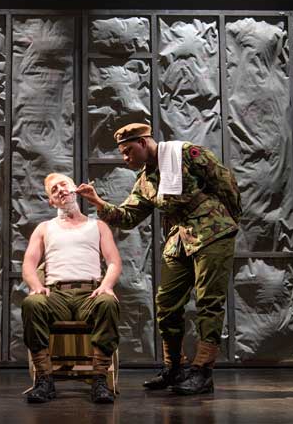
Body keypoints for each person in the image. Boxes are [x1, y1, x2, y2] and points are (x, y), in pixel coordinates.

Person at [76, 123, 241, 395]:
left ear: (143, 143)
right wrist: (97, 202)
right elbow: (128, 217)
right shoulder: (145, 181)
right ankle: (175, 367)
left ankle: (203, 372)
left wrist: (227, 221)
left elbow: (225, 182)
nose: (125, 158)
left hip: (212, 232)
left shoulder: (186, 153)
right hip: (179, 240)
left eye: (128, 151)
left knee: (209, 302)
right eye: (122, 153)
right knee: (166, 304)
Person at [22, 173, 122, 404]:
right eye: (54, 190)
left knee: (108, 302)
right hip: (56, 294)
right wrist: (36, 286)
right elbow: (28, 264)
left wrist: (106, 285)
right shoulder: (45, 228)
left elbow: (114, 262)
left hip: (90, 293)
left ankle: (99, 380)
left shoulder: (98, 225)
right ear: (51, 201)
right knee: (32, 303)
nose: (60, 190)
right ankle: (44, 380)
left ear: (75, 188)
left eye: (63, 184)